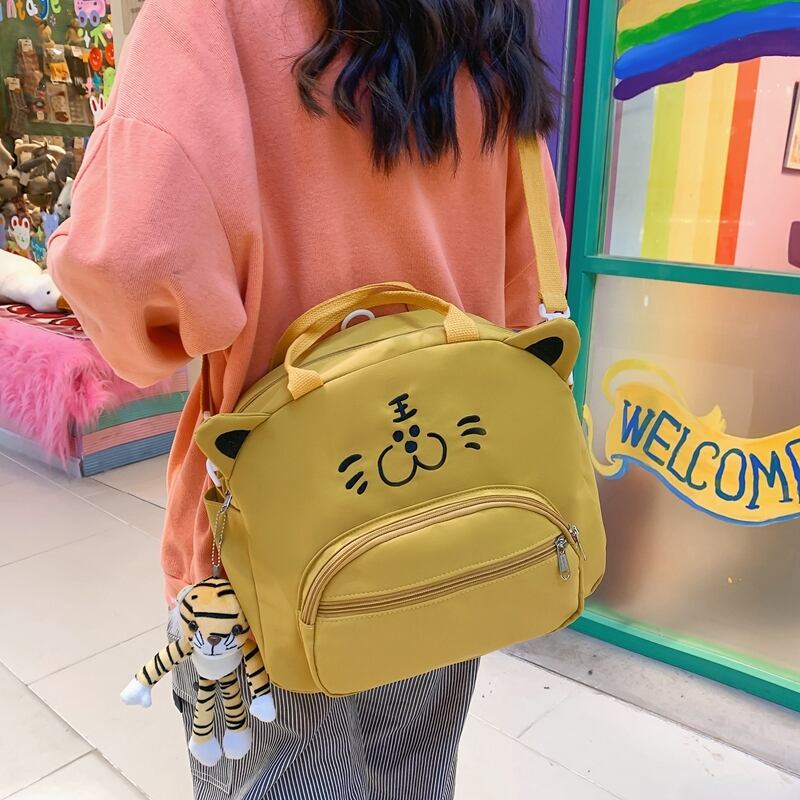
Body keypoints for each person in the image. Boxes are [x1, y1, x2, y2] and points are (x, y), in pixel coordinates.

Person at [48, 0, 567, 797]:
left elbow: (125, 265)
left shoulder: (212, 18)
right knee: (415, 772)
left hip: (270, 547)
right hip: (451, 513)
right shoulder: (487, 27)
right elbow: (527, 282)